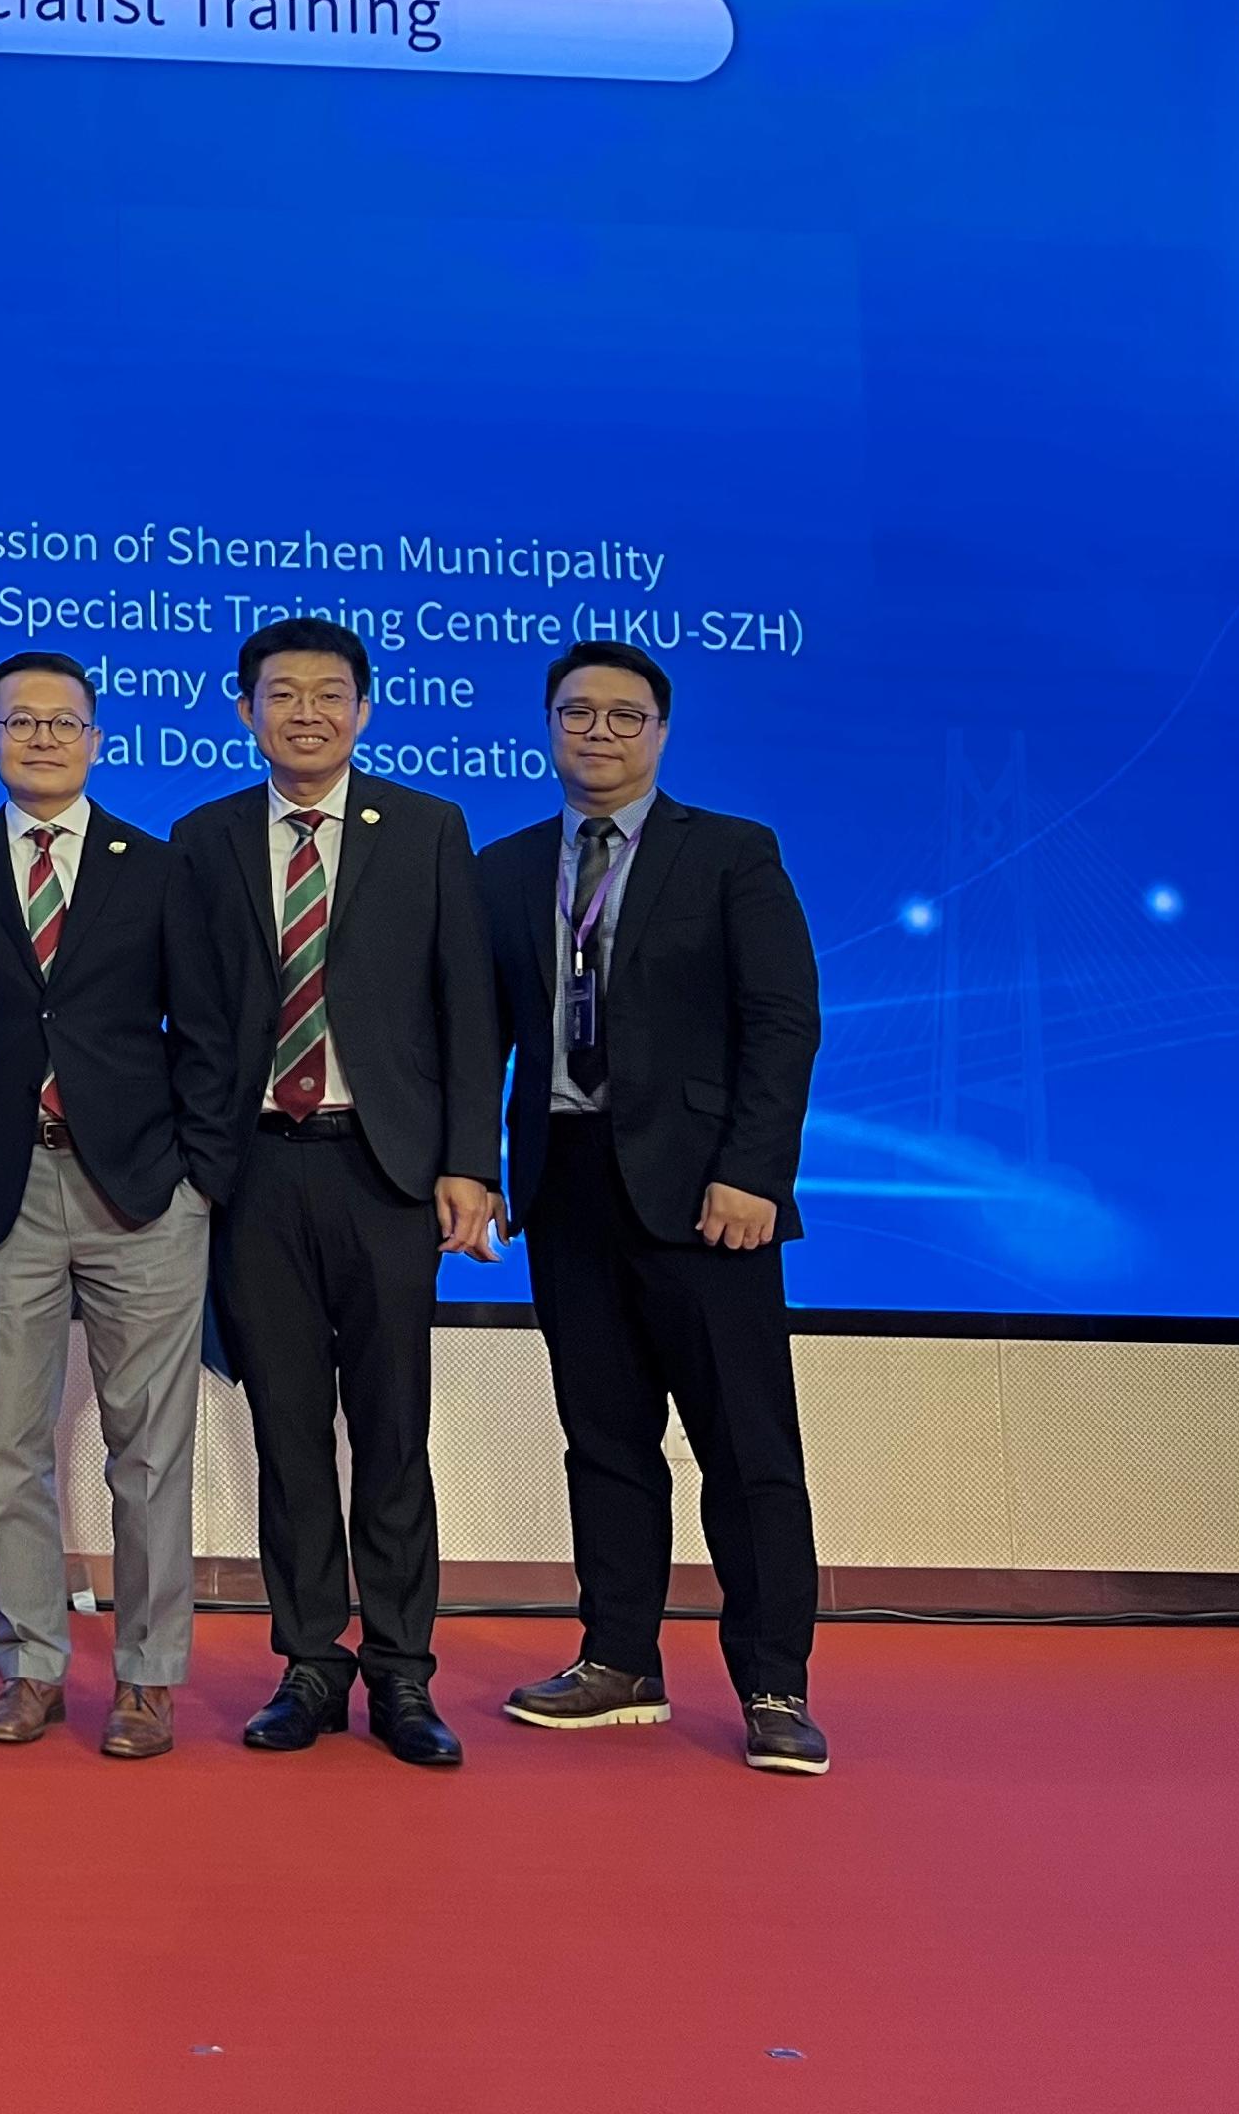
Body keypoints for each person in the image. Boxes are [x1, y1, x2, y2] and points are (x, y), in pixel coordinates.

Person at [476, 642, 830, 1777]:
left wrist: (754, 1176)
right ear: (548, 725)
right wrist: (477, 1168)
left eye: (624, 717)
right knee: (605, 1441)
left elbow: (782, 1023)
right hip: (566, 1187)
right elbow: (479, 1037)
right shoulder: (508, 866)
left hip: (705, 1199)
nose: (599, 733)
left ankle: (775, 1685)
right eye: (577, 714)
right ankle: (618, 1658)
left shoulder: (730, 853)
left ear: (661, 732)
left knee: (748, 1449)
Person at [169, 616, 501, 1771]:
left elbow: (468, 1009)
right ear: (244, 708)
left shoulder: (424, 827)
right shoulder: (202, 837)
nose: (304, 712)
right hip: (254, 1167)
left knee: (392, 1430)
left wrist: (471, 1164)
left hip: (386, 1167)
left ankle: (404, 1674)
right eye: (280, 693)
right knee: (288, 1429)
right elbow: (193, 1023)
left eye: (328, 694)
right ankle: (310, 1660)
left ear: (362, 709)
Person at [0, 652, 226, 1759]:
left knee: (147, 1452)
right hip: (3, 1191)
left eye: (64, 723)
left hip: (141, 1191)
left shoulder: (159, 866)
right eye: (19, 723)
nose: (42, 739)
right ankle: (30, 1663)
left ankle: (146, 1676)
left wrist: (194, 1173)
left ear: (97, 738)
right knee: (9, 1449)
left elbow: (209, 1034)